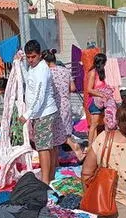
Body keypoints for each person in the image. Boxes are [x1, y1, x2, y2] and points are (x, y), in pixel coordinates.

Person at [20, 39, 66, 184]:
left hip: (44, 113)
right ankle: (50, 176)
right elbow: (29, 82)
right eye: (28, 57)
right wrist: (20, 64)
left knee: (43, 148)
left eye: (33, 57)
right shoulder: (33, 68)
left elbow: (39, 95)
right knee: (48, 146)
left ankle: (45, 181)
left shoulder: (41, 69)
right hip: (41, 113)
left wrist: (27, 114)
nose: (30, 60)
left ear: (39, 55)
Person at [42, 49, 85, 161]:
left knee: (55, 136)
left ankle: (61, 158)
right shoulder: (65, 71)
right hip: (66, 104)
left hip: (54, 106)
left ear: (45, 61)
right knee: (64, 132)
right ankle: (59, 161)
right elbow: (73, 88)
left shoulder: (47, 73)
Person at [86, 53, 112, 145]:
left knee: (103, 122)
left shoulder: (100, 72)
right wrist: (101, 94)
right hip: (94, 102)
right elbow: (89, 89)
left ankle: (96, 144)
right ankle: (90, 145)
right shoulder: (93, 73)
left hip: (101, 101)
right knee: (94, 124)